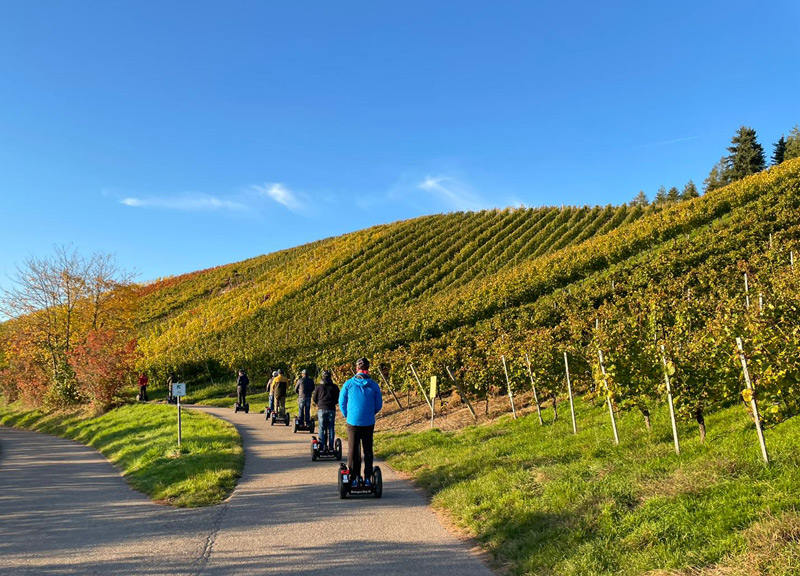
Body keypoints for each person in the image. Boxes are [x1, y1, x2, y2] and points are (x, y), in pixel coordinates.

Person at [339, 358, 383, 488]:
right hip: (368, 422)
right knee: (368, 449)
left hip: (352, 421)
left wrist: (347, 414)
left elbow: (341, 402)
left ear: (356, 368)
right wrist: (370, 412)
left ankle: (353, 478)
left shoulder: (348, 384)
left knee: (353, 450)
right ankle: (368, 478)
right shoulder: (374, 385)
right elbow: (379, 404)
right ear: (368, 369)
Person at [312, 370, 339, 451]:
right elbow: (337, 398)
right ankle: (331, 447)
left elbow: (314, 398)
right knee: (331, 428)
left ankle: (321, 447)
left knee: (321, 428)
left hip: (321, 409)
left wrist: (319, 404)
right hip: (331, 408)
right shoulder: (334, 387)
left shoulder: (318, 387)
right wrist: (333, 403)